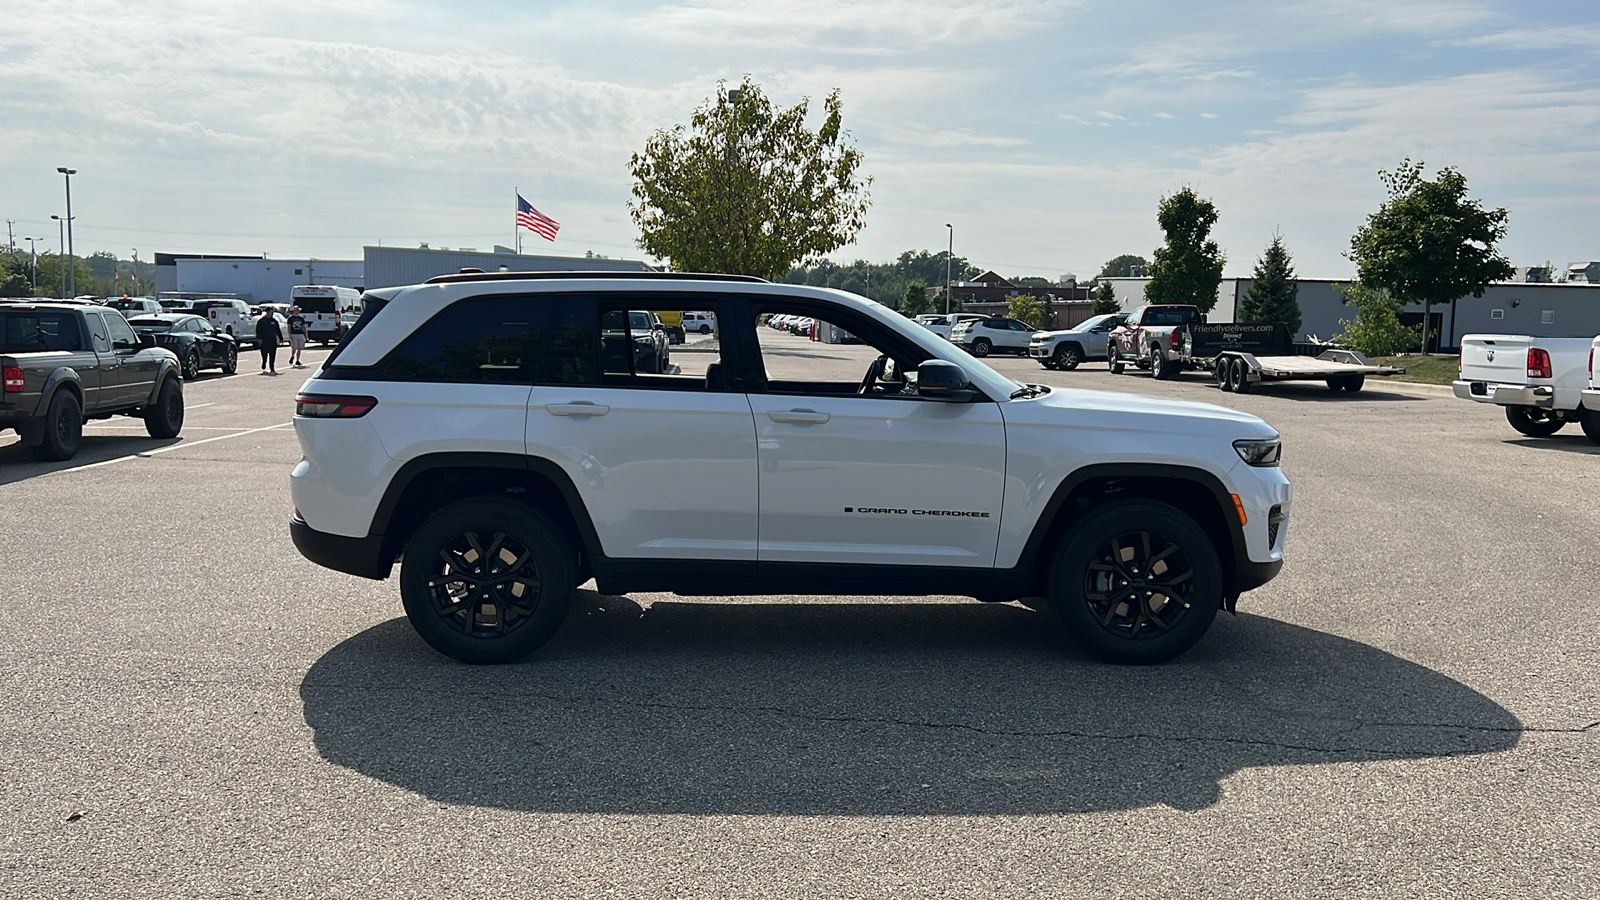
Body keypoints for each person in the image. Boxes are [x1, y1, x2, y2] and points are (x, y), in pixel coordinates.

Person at [255, 308, 283, 375]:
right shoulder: (261, 321)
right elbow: (258, 330)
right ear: (267, 312)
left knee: (272, 354)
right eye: (271, 312)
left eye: (272, 312)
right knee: (264, 354)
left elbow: (277, 330)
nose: (272, 313)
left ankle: (272, 367)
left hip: (272, 340)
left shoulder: (274, 321)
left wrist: (280, 338)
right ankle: (264, 362)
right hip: (264, 340)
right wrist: (259, 338)